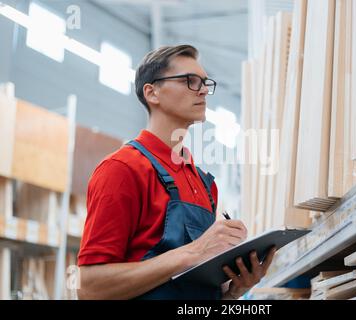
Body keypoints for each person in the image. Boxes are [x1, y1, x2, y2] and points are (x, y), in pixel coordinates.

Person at [77, 45, 276, 300]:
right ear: (152, 92)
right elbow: (89, 287)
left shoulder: (204, 184)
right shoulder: (123, 169)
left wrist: (233, 291)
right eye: (190, 81)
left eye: (205, 82)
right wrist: (193, 252)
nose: (203, 90)